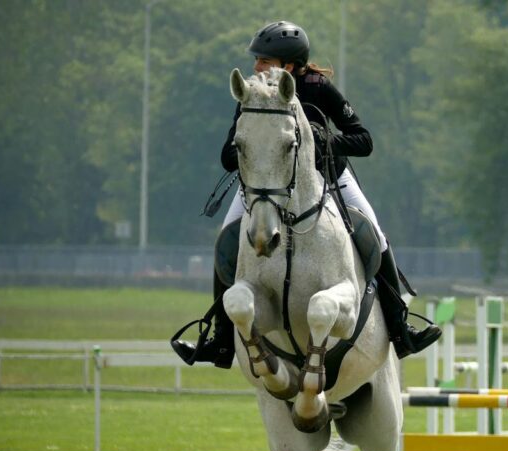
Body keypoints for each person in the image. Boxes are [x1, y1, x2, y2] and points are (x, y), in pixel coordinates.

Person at [172, 20, 441, 368]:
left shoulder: (317, 87)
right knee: (226, 241)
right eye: (256, 61)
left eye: (264, 61)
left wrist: (325, 140)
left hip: (328, 177)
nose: (256, 67)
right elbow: (228, 156)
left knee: (374, 234)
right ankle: (220, 340)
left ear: (287, 66)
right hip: (265, 186)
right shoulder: (253, 94)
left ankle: (401, 327)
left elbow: (364, 140)